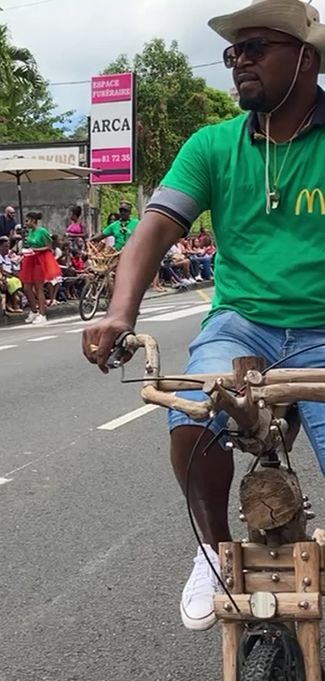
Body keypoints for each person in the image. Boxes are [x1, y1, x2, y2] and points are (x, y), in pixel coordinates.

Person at [83, 0, 325, 632]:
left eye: (255, 49)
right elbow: (157, 227)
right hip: (242, 323)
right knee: (191, 411)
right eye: (232, 53)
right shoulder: (212, 145)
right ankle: (214, 551)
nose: (239, 62)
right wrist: (119, 312)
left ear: (306, 58)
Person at [19, 211, 61, 324]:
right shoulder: (29, 232)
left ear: (33, 220)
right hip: (30, 259)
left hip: (40, 260)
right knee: (27, 287)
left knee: (39, 288)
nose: (26, 223)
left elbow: (49, 247)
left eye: (27, 220)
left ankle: (42, 314)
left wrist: (35, 250)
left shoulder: (42, 231)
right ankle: (34, 310)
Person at [0, 236, 23, 313]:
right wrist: (13, 276)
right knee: (13, 281)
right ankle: (15, 305)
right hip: (2, 276)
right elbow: (1, 270)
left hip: (10, 275)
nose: (7, 249)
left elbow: (11, 268)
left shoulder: (7, 257)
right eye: (5, 246)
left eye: (8, 247)